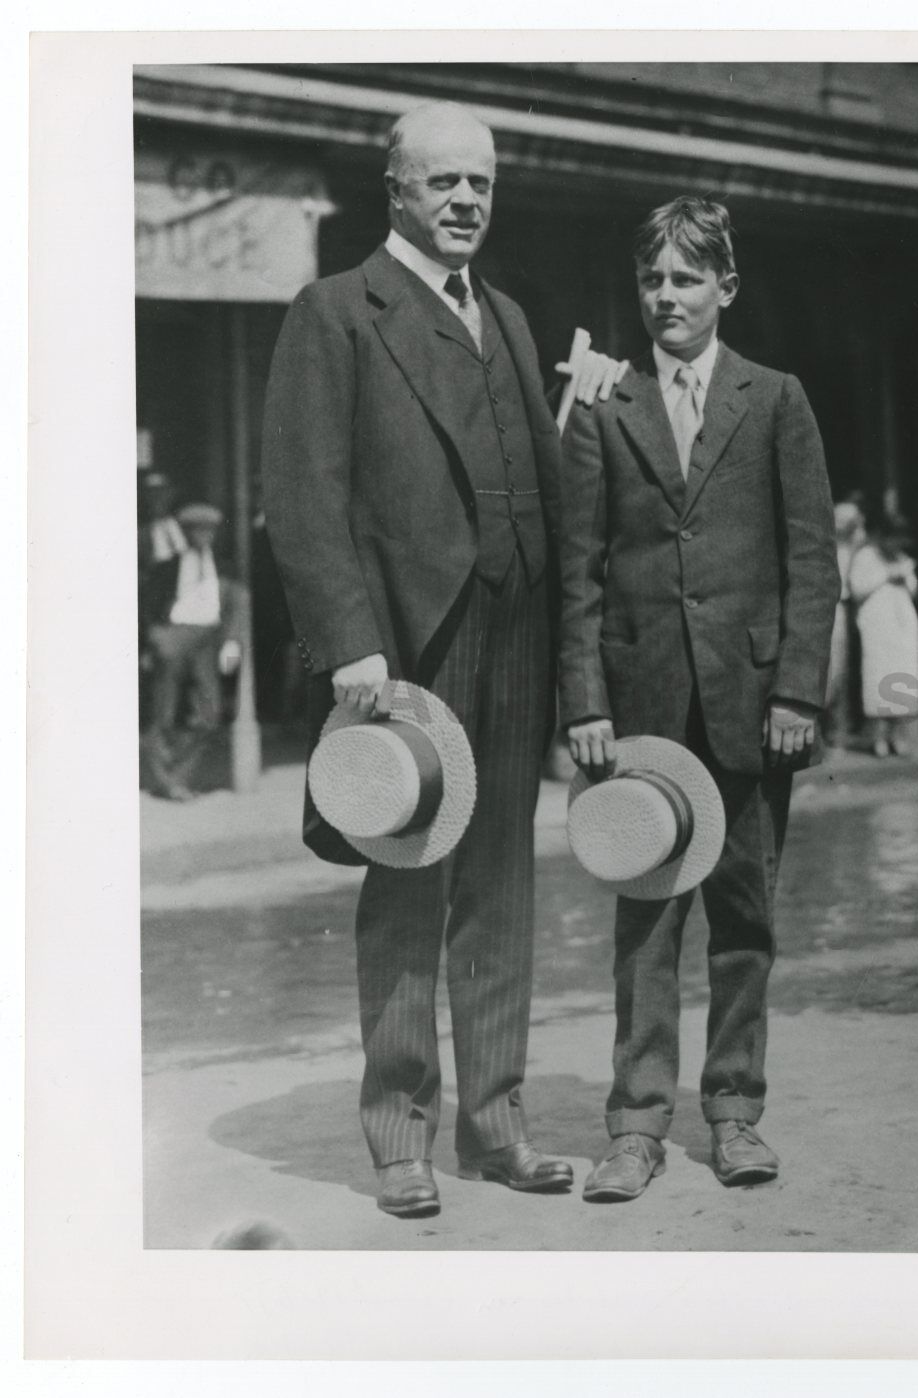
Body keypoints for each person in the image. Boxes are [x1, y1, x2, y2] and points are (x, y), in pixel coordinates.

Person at [261, 102, 624, 1220]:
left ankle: (497, 1124)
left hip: (514, 637)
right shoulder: (336, 312)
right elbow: (303, 495)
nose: (465, 201)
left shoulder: (507, 317)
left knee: (503, 887)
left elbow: (551, 500)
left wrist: (576, 668)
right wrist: (350, 644)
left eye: (480, 184)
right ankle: (400, 1133)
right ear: (397, 193)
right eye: (442, 184)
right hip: (410, 651)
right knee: (410, 886)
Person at [559, 196, 839, 1201]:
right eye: (652, 280)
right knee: (644, 918)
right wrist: (584, 702)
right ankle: (633, 1125)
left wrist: (798, 686)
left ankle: (733, 1115)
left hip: (751, 705)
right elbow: (579, 573)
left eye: (686, 278)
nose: (667, 297)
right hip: (638, 716)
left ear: (726, 287)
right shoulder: (607, 411)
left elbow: (812, 556)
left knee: (743, 919)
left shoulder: (774, 400)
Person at [142, 503, 244, 800]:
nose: (203, 536)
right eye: (195, 530)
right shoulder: (167, 566)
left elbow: (237, 607)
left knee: (208, 714)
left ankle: (180, 776)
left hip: (209, 641)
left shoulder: (225, 567)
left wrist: (232, 643)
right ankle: (168, 782)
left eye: (208, 531)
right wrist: (158, 639)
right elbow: (147, 607)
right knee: (165, 712)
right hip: (174, 638)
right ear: (185, 533)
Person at [848, 508, 918, 758]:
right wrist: (886, 575)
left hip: (902, 629)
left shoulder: (901, 557)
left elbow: (913, 589)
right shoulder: (866, 557)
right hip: (878, 629)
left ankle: (897, 736)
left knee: (902, 679)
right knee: (879, 679)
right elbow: (857, 588)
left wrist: (905, 576)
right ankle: (877, 737)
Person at [823, 495, 867, 747]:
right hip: (836, 609)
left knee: (858, 669)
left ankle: (851, 724)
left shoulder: (858, 546)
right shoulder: (826, 545)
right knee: (835, 669)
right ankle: (833, 729)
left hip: (857, 610)